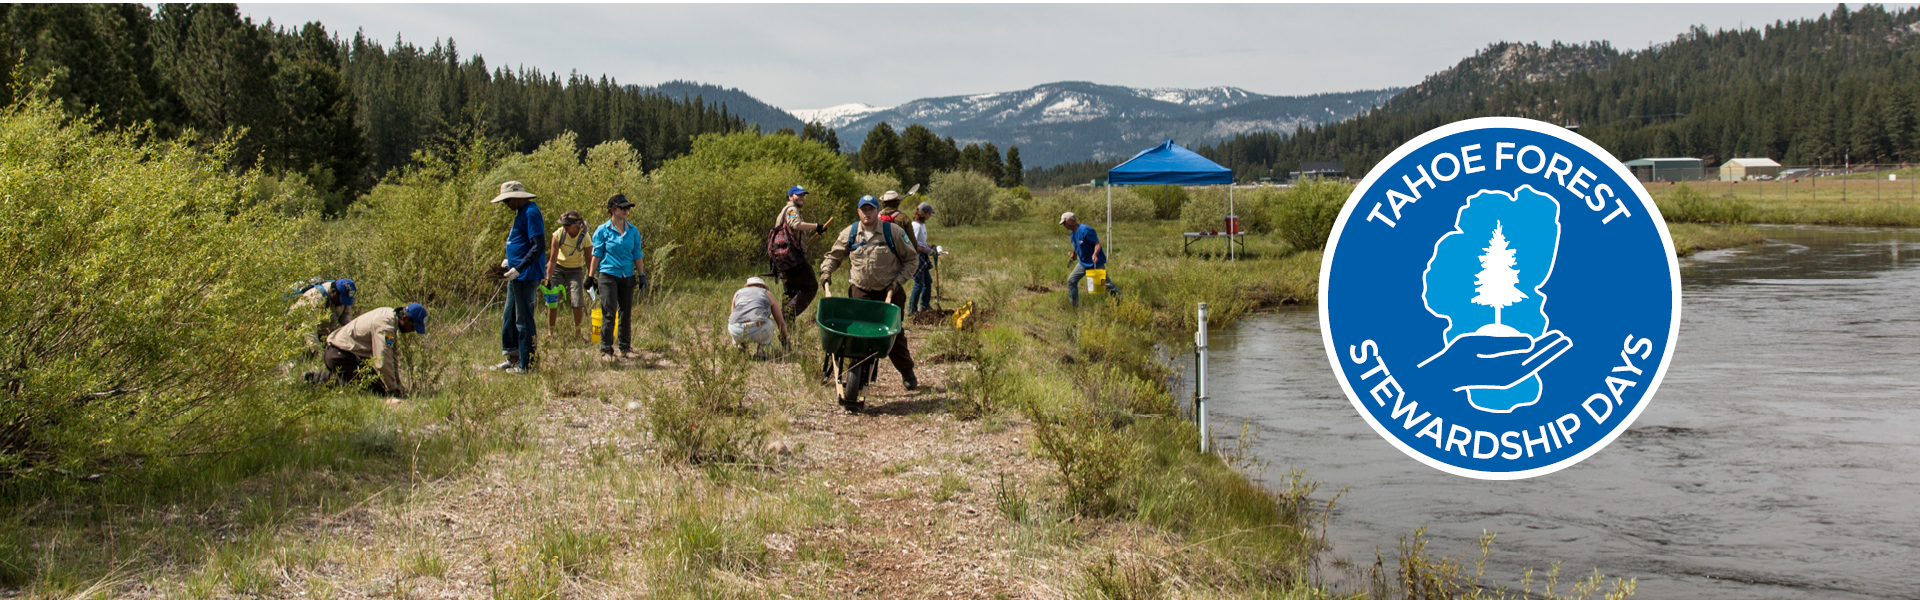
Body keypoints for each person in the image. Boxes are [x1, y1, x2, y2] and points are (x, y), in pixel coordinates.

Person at [820, 195, 921, 393]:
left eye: (871, 209)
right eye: (863, 209)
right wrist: (826, 271)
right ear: (858, 211)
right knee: (858, 335)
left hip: (889, 290)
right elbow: (834, 256)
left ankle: (907, 372)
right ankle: (857, 378)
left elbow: (912, 260)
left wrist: (898, 282)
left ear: (878, 211)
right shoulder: (850, 233)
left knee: (893, 335)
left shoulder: (893, 232)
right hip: (861, 291)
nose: (867, 213)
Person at [307, 303, 428, 398]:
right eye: (412, 327)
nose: (412, 331)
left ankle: (328, 379)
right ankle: (316, 379)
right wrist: (393, 389)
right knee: (375, 391)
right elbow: (383, 360)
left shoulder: (390, 317)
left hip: (343, 355)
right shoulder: (385, 326)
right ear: (405, 318)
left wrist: (398, 385)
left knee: (374, 385)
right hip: (339, 355)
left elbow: (392, 356)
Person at [493, 181, 545, 373]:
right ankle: (513, 357)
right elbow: (521, 242)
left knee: (523, 320)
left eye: (507, 200)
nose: (506, 204)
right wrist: (510, 260)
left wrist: (520, 267)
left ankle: (528, 364)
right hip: (516, 274)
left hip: (526, 275)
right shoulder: (521, 213)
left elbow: (538, 245)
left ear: (517, 197)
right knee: (509, 316)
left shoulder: (531, 212)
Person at [590, 194, 645, 361]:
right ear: (613, 210)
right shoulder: (602, 230)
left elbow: (637, 253)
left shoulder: (632, 231)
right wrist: (590, 276)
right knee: (609, 311)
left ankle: (625, 346)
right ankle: (606, 348)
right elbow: (597, 254)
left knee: (626, 312)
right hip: (608, 274)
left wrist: (641, 275)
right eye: (623, 208)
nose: (626, 211)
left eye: (627, 208)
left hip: (627, 274)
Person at [773, 185, 830, 320]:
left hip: (781, 259)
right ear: (790, 196)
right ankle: (786, 316)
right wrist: (817, 226)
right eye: (798, 195)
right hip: (792, 258)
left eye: (803, 195)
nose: (802, 197)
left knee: (790, 293)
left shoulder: (785, 210)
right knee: (810, 287)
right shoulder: (791, 209)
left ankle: (786, 331)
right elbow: (796, 224)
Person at [544, 211, 591, 341]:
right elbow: (552, 260)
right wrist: (548, 278)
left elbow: (588, 259)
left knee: (577, 301)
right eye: (563, 225)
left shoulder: (585, 237)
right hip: (558, 267)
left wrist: (591, 277)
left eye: (568, 225)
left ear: (577, 224)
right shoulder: (558, 234)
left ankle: (578, 334)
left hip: (575, 269)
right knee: (552, 301)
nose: (565, 228)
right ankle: (550, 333)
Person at [1061, 212, 1119, 306]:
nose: (1064, 225)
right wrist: (1074, 254)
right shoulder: (1072, 233)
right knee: (1071, 281)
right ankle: (1074, 306)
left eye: (1064, 223)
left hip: (1095, 262)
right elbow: (1076, 244)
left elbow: (1097, 244)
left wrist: (1095, 254)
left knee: (1106, 284)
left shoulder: (1085, 230)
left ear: (1070, 221)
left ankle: (1120, 301)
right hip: (1083, 263)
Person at [728, 276, 789, 356]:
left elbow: (733, 316)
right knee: (771, 322)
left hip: (735, 329)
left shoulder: (737, 293)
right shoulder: (766, 293)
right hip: (758, 328)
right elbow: (781, 323)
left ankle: (740, 345)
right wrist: (784, 338)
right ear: (762, 286)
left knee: (738, 322)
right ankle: (761, 350)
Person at [290, 278, 356, 347]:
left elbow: (345, 316)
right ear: (333, 292)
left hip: (322, 332)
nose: (342, 304)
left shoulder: (343, 295)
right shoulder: (316, 298)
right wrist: (318, 353)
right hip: (298, 332)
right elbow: (309, 329)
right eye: (341, 300)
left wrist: (350, 330)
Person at [908, 202, 936, 315]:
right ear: (923, 213)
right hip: (917, 256)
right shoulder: (915, 226)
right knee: (918, 283)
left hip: (922, 256)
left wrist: (931, 247)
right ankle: (912, 310)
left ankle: (924, 306)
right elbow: (913, 244)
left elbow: (922, 242)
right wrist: (926, 250)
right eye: (929, 213)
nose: (930, 215)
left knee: (927, 281)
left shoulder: (922, 225)